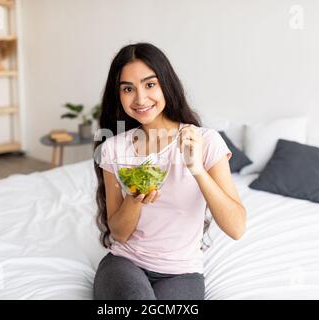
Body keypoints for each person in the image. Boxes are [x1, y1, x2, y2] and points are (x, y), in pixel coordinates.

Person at [93, 42, 246, 300]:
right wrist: (135, 199)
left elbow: (236, 228)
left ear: (166, 84)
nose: (140, 99)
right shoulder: (113, 149)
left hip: (182, 273)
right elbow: (118, 233)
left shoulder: (205, 141)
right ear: (118, 95)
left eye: (150, 84)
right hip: (125, 263)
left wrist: (196, 168)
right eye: (128, 89)